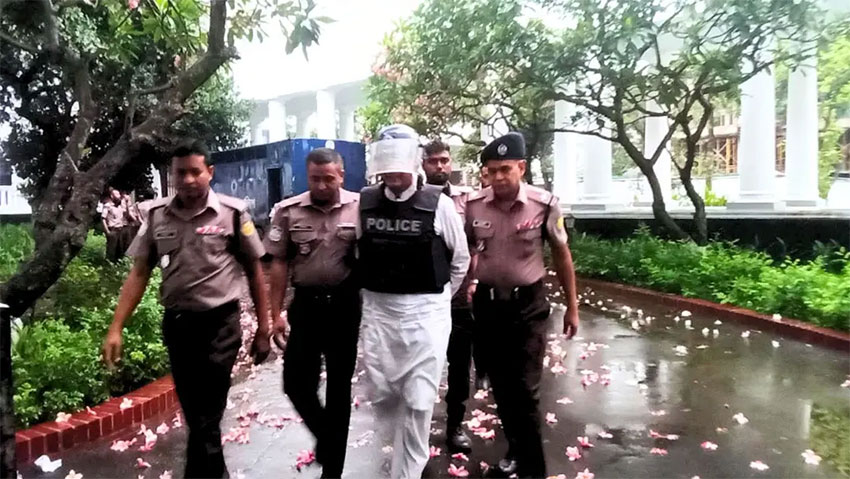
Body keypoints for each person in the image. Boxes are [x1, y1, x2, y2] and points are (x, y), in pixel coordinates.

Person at [102, 139, 271, 479]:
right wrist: (116, 327)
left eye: (196, 172)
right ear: (172, 175)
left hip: (221, 327)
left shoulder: (232, 213)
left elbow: (255, 271)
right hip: (179, 327)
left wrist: (264, 327)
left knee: (206, 415)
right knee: (197, 414)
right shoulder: (157, 216)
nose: (188, 179)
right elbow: (139, 273)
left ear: (210, 172)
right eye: (181, 173)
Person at [358, 125, 470, 479]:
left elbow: (460, 259)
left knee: (419, 399)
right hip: (379, 313)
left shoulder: (439, 204)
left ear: (413, 162)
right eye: (386, 164)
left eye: (399, 164)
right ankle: (402, 451)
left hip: (426, 314)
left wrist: (439, 299)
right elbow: (360, 249)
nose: (393, 173)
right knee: (384, 395)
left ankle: (408, 471)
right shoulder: (365, 203)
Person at [465, 132, 579, 478]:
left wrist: (572, 307)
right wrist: (465, 285)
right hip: (488, 307)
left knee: (526, 390)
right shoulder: (473, 206)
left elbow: (561, 254)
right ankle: (515, 451)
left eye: (506, 169)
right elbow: (465, 251)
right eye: (492, 170)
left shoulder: (544, 205)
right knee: (502, 387)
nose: (499, 177)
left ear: (521, 168)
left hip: (528, 307)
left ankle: (534, 469)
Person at [265, 148, 360, 479]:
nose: (321, 185)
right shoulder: (288, 211)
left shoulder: (360, 208)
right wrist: (275, 314)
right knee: (295, 383)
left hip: (345, 307)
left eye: (328, 178)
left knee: (339, 390)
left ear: (341, 176)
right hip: (306, 306)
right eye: (314, 178)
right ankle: (328, 438)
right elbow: (279, 263)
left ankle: (332, 471)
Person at [421, 139, 477, 453]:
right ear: (423, 164)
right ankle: (418, 425)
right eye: (433, 161)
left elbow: (475, 244)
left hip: (457, 300)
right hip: (422, 300)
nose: (440, 166)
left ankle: (455, 425)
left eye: (444, 160)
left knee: (459, 366)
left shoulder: (467, 200)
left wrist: (472, 281)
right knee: (422, 364)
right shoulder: (414, 198)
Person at [102, 187, 132, 261]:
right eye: (116, 194)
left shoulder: (120, 206)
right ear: (112, 196)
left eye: (119, 194)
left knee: (121, 251)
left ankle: (119, 265)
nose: (119, 196)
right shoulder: (108, 206)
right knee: (111, 251)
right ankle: (108, 265)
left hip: (121, 230)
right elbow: (103, 219)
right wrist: (107, 231)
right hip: (113, 230)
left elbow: (128, 215)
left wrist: (127, 203)